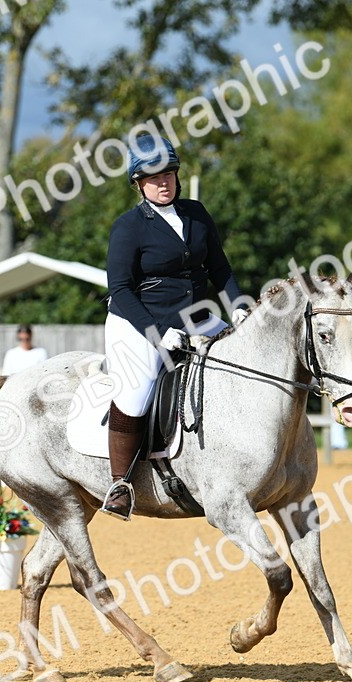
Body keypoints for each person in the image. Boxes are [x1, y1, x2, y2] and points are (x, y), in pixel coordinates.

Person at [100, 134, 248, 520]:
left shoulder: (196, 213)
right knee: (136, 389)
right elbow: (120, 289)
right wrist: (156, 333)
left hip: (195, 317)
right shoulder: (128, 227)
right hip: (138, 322)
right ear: (138, 183)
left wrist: (240, 310)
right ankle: (121, 483)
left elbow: (220, 270)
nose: (162, 182)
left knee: (244, 362)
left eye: (168, 173)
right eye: (153, 177)